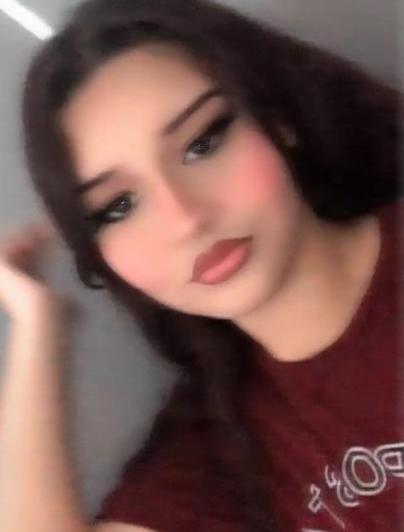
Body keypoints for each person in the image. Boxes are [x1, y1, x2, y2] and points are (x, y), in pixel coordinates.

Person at [0, 0, 402, 531]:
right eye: (118, 206)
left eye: (203, 143)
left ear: (276, 118)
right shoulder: (223, 447)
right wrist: (38, 324)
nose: (185, 218)